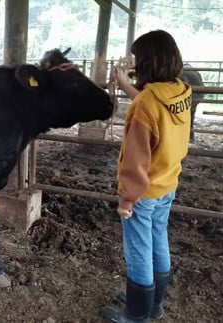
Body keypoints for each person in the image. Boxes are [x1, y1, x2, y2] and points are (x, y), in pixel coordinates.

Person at [102, 30, 192, 322]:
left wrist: (127, 199)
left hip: (143, 191)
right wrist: (127, 85)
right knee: (158, 239)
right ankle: (154, 304)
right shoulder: (180, 90)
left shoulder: (147, 105)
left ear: (148, 62)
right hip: (167, 183)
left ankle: (137, 313)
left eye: (139, 59)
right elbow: (150, 104)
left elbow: (136, 160)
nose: (136, 64)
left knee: (139, 248)